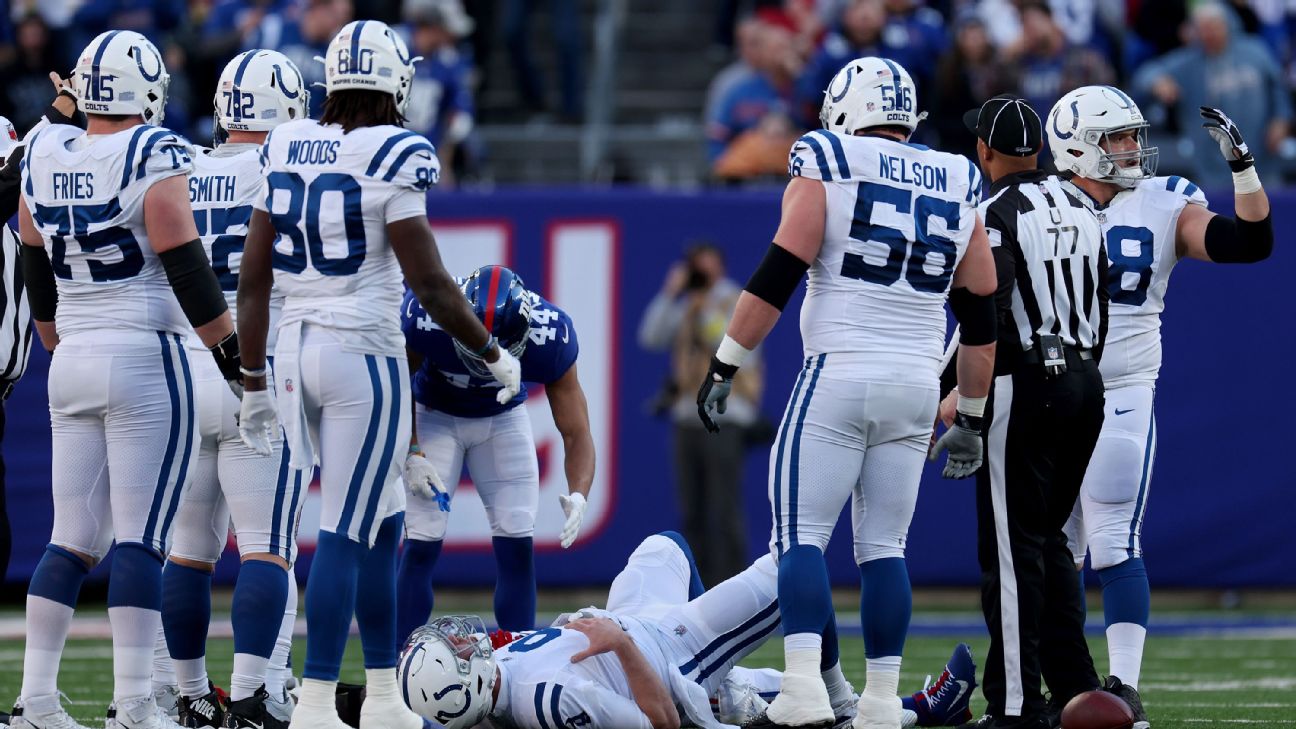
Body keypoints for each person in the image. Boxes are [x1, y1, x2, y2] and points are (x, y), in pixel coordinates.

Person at [234, 19, 522, 729]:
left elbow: (252, 278)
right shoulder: (396, 151)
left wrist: (251, 379)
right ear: (397, 81)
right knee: (341, 531)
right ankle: (316, 700)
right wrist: (490, 350)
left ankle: (387, 692)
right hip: (361, 351)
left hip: (294, 349)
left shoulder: (286, 142)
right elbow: (428, 279)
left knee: (386, 519)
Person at [696, 57, 998, 729]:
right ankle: (882, 701)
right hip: (919, 382)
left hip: (839, 370)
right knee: (885, 547)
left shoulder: (828, 155)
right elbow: (981, 313)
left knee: (800, 537)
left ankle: (804, 686)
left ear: (842, 110)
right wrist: (972, 416)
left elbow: (780, 269)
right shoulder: (958, 175)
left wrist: (725, 363)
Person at [12, 29, 244, 729]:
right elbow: (186, 264)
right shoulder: (153, 150)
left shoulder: (45, 149)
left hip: (75, 354)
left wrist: (55, 338)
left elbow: (31, 252)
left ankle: (37, 700)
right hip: (146, 352)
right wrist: (238, 362)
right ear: (146, 90)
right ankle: (138, 703)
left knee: (70, 536)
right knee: (141, 538)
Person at [1049, 86, 1273, 729]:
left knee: (1113, 537)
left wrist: (1242, 167)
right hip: (1055, 389)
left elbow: (1247, 243)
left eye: (1131, 136)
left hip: (1118, 387)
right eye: (1116, 138)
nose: (1131, 149)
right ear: (1078, 146)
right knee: (1053, 548)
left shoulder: (1161, 200)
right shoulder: (1038, 204)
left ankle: (1124, 685)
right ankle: (1056, 679)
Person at [396, 532, 980, 729]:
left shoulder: (495, 679)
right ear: (463, 684)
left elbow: (501, 654)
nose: (466, 638)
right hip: (663, 650)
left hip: (633, 627)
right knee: (797, 571)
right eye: (457, 649)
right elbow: (661, 723)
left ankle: (726, 691)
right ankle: (853, 704)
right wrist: (620, 642)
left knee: (662, 546)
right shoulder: (550, 699)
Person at [153, 49, 311, 729]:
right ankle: (252, 695)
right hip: (257, 367)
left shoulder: (180, 165)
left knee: (189, 546)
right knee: (267, 544)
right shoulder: (287, 167)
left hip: (184, 372)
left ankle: (185, 693)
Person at [943, 94, 1108, 729]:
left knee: (1012, 555)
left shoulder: (991, 214)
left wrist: (964, 403)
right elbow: (1102, 307)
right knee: (1051, 545)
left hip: (1024, 384)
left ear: (984, 152)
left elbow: (987, 313)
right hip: (1086, 381)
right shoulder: (1083, 203)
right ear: (1038, 149)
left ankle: (1014, 706)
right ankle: (1077, 687)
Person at [396, 264, 594, 639]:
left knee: (517, 540)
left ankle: (519, 665)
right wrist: (413, 450)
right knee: (421, 540)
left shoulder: (551, 335)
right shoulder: (426, 312)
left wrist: (580, 493)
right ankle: (396, 668)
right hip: (433, 413)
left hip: (502, 420)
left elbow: (576, 431)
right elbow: (396, 381)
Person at [637, 243, 760, 588]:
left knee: (724, 507)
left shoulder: (734, 299)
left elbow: (728, 343)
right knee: (693, 511)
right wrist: (670, 293)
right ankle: (697, 587)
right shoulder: (685, 305)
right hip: (686, 417)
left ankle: (733, 585)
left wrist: (702, 310)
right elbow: (650, 337)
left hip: (725, 415)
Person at [1131, 2, 1290, 189]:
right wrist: (1157, 81)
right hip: (1212, 169)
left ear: (1228, 25)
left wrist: (1281, 120)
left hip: (1263, 159)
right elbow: (1144, 74)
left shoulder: (1255, 51)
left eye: (1215, 27)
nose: (1210, 35)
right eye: (1203, 30)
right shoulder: (1188, 62)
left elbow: (1278, 89)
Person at [401, 0, 476, 186]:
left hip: (427, 154)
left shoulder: (449, 60)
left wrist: (444, 158)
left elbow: (461, 113)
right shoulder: (393, 46)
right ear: (433, 25)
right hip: (385, 150)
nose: (453, 36)